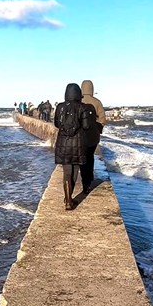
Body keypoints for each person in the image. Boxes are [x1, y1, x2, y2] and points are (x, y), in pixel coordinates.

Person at [53, 82, 97, 210]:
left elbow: (56, 124)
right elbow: (86, 126)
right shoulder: (83, 107)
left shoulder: (60, 107)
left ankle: (67, 200)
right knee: (75, 170)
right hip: (78, 143)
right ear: (78, 94)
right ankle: (69, 198)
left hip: (63, 143)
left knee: (67, 172)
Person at [80, 79, 105, 187]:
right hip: (93, 136)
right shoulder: (97, 102)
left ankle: (84, 180)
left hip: (80, 135)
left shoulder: (78, 100)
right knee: (90, 157)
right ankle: (89, 178)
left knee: (82, 157)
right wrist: (97, 129)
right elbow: (102, 119)